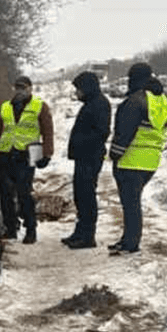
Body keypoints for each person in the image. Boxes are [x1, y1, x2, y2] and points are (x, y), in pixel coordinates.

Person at [107, 62, 167, 256]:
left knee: (130, 204)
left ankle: (131, 243)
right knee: (133, 203)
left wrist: (114, 153)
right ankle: (128, 239)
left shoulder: (135, 101)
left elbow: (124, 131)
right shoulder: (161, 101)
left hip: (130, 160)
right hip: (151, 160)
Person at [0, 75, 53, 244]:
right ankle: (10, 228)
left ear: (30, 88)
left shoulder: (40, 106)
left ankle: (31, 229)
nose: (20, 91)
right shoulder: (5, 107)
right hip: (6, 154)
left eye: (23, 87)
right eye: (17, 88)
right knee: (5, 194)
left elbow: (48, 133)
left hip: (27, 155)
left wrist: (47, 154)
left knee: (24, 194)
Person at [62, 71, 111, 249]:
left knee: (86, 196)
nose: (77, 93)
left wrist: (81, 143)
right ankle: (80, 231)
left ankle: (88, 236)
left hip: (90, 157)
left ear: (87, 88)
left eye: (79, 89)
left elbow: (101, 132)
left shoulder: (99, 104)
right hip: (84, 157)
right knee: (80, 194)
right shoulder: (91, 103)